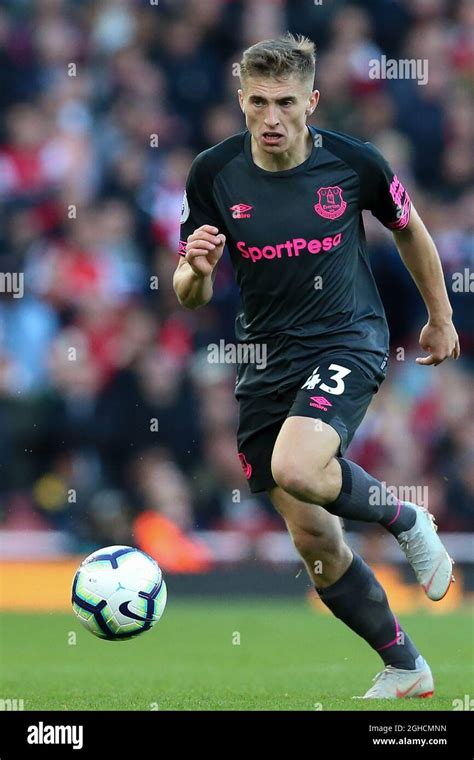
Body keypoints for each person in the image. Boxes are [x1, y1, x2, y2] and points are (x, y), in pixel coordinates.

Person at [173, 33, 460, 699]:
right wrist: (195, 268)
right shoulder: (213, 174)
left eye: (285, 103)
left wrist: (440, 316)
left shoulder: (353, 163)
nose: (271, 118)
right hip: (266, 365)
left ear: (312, 101)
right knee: (317, 543)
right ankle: (405, 665)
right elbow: (189, 294)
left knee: (298, 468)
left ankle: (408, 522)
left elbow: (409, 228)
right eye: (257, 103)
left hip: (346, 338)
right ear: (241, 100)